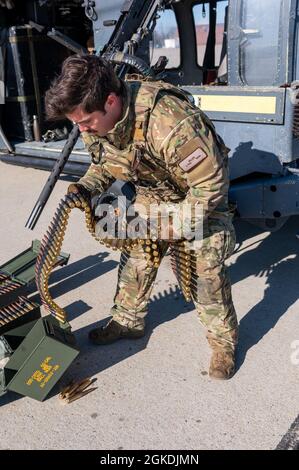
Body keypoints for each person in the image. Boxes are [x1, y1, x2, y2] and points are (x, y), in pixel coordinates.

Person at [45, 54, 238, 380]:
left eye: (86, 122)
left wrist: (172, 227)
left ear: (110, 101)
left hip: (201, 203)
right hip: (155, 196)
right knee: (136, 254)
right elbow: (105, 164)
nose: (81, 129)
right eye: (77, 123)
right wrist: (86, 188)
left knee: (207, 265)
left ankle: (223, 343)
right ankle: (128, 321)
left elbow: (209, 187)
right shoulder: (95, 118)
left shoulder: (170, 122)